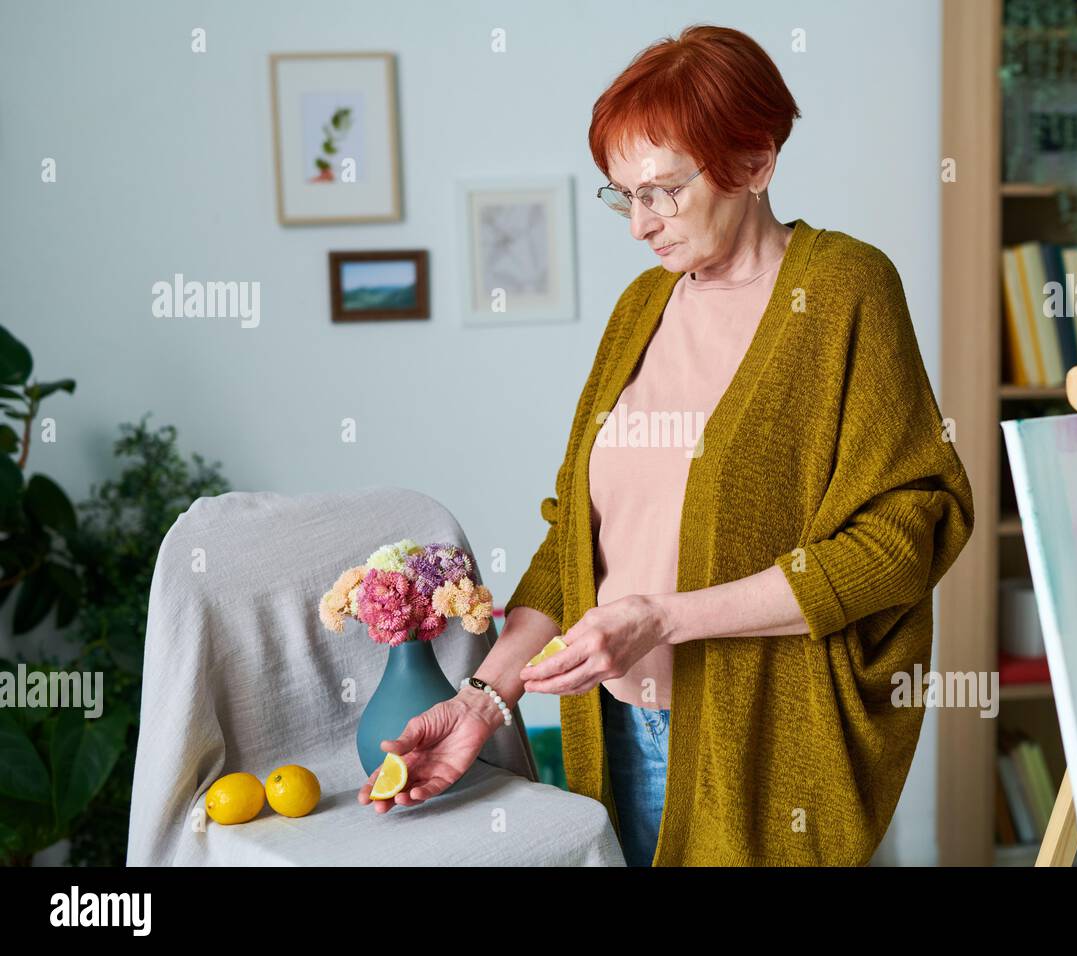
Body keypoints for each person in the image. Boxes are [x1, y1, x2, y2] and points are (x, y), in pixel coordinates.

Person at [360, 24, 974, 867]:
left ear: (756, 163)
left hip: (752, 739)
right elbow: (575, 541)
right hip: (613, 730)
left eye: (663, 191)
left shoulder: (842, 290)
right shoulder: (639, 311)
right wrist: (480, 700)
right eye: (622, 195)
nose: (640, 225)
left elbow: (909, 532)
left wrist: (665, 620)